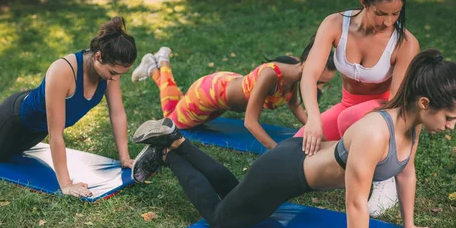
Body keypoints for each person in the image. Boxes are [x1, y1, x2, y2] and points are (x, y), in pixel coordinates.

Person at [131, 49, 456, 228]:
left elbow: (406, 173)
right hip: (285, 172)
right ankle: (169, 153)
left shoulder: (411, 126)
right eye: (450, 118)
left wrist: (411, 225)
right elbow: (356, 204)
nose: (451, 127)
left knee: (236, 194)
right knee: (221, 219)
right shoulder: (375, 133)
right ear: (425, 103)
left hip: (291, 162)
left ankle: (176, 141)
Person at [0, 16, 137, 197]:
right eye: (113, 72)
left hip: (36, 129)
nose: (115, 79)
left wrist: (124, 157)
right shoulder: (63, 71)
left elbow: (117, 114)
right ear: (99, 56)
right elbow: (56, 134)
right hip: (16, 116)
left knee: (6, 145)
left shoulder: (108, 76)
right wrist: (66, 184)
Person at [299, 0, 420, 215]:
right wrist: (313, 119)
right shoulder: (335, 24)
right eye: (381, 13)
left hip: (386, 113)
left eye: (395, 13)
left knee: (349, 119)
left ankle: (383, 178)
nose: (388, 22)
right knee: (299, 147)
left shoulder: (405, 43)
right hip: (348, 105)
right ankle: (346, 168)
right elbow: (309, 74)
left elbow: (397, 105)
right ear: (364, 3)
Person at [130, 37, 336, 150]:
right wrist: (276, 150)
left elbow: (296, 107)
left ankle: (152, 67)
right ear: (308, 65)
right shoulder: (271, 75)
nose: (318, 89)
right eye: (318, 82)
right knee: (171, 121)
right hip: (209, 93)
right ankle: (161, 62)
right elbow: (250, 122)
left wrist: (317, 131)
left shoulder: (296, 75)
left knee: (178, 108)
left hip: (224, 95)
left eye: (323, 84)